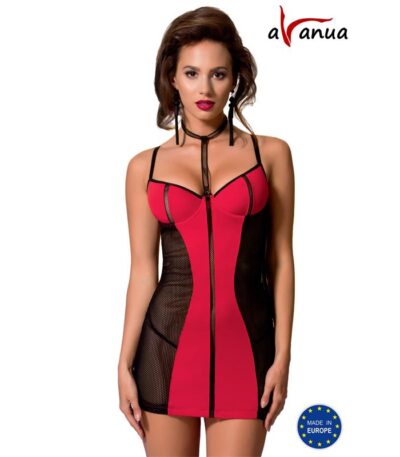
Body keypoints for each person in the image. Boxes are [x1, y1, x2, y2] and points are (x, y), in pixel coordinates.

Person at [118, 6, 295, 457]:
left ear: (235, 79)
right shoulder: (144, 167)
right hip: (165, 349)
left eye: (218, 74)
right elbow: (143, 272)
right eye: (191, 73)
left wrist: (283, 356)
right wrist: (123, 363)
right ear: (172, 78)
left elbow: (280, 259)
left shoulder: (271, 154)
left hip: (249, 347)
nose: (205, 89)